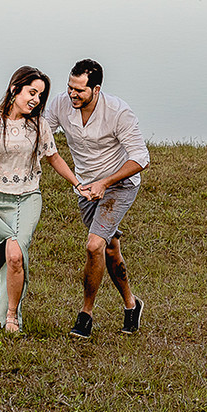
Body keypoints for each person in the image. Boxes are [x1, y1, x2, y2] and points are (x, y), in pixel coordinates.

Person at [0, 65, 82, 334]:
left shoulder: (39, 127)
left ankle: (11, 315)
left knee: (15, 255)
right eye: (31, 92)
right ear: (14, 89)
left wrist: (78, 184)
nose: (35, 100)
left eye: (40, 96)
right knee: (0, 257)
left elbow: (53, 157)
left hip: (27, 198)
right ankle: (3, 298)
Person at [45, 59, 150, 338]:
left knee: (94, 246)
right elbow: (42, 133)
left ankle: (86, 314)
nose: (72, 94)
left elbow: (141, 158)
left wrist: (105, 182)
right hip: (86, 188)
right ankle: (132, 304)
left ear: (97, 89)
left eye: (79, 90)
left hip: (119, 185)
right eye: (70, 87)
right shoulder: (60, 104)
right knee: (110, 249)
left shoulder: (118, 112)